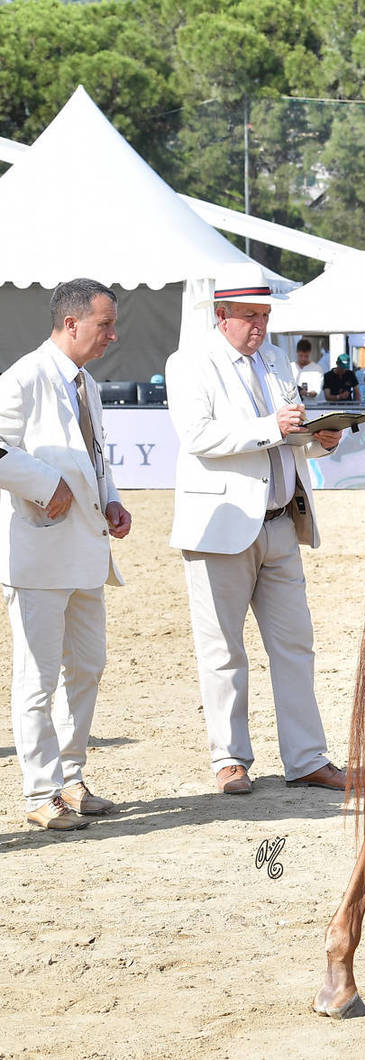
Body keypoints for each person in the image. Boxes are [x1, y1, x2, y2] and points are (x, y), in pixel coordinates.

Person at [165, 261, 350, 795]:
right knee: (223, 650)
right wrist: (276, 427)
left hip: (279, 522)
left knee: (296, 645)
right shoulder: (189, 363)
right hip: (219, 525)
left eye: (264, 316)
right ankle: (229, 759)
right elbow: (199, 436)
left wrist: (319, 439)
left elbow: (289, 436)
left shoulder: (272, 361)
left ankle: (308, 757)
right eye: (249, 316)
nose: (259, 327)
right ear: (220, 316)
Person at [0, 278, 133, 829]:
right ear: (71, 323)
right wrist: (43, 483)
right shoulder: (24, 378)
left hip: (86, 549)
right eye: (104, 325)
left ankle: (71, 778)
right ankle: (39, 794)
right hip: (37, 551)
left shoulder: (86, 384)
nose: (112, 336)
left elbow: (96, 456)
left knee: (87, 668)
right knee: (37, 678)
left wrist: (112, 499)